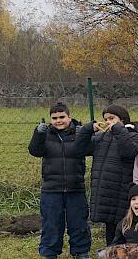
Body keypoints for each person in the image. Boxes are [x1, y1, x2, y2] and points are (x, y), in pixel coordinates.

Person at [28, 102, 91, 259]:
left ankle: (81, 252)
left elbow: (91, 149)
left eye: (62, 117)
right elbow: (34, 151)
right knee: (51, 224)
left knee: (79, 223)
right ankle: (50, 253)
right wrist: (38, 133)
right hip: (51, 189)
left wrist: (86, 134)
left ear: (69, 117)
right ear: (50, 119)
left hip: (75, 188)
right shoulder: (46, 135)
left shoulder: (79, 133)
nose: (58, 120)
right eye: (54, 118)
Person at [77, 104, 138, 244]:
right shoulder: (102, 138)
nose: (108, 122)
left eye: (111, 118)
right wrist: (87, 130)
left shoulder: (136, 136)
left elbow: (129, 152)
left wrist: (118, 130)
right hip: (105, 191)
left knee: (126, 229)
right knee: (111, 232)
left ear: (122, 120)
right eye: (106, 119)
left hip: (123, 191)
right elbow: (79, 149)